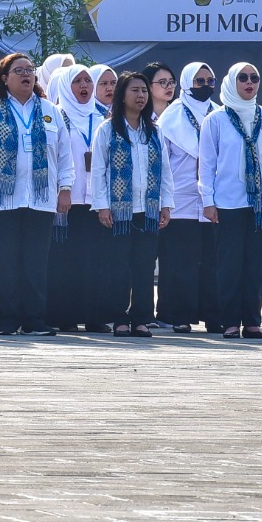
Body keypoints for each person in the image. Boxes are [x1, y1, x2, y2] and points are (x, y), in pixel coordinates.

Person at [0, 53, 74, 336]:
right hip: (1, 200)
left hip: (41, 199)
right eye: (19, 70)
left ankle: (35, 320)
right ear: (4, 78)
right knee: (5, 263)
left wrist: (65, 188)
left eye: (30, 70)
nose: (27, 75)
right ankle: (8, 319)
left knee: (35, 263)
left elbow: (64, 154)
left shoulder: (50, 111)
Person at [199, 62, 262, 340]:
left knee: (256, 264)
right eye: (243, 77)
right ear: (231, 82)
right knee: (229, 264)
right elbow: (207, 164)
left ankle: (252, 322)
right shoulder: (216, 119)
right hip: (228, 202)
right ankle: (229, 322)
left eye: (254, 78)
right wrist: (208, 200)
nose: (249, 82)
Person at [89, 72, 174, 337]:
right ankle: (119, 318)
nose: (141, 96)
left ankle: (141, 318)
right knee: (118, 265)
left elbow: (165, 171)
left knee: (144, 266)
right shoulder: (108, 129)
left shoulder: (154, 131)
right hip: (119, 210)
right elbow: (98, 170)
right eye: (135, 90)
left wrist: (166, 204)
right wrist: (102, 206)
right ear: (122, 95)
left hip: (148, 209)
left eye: (144, 91)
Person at [156, 61, 218, 333]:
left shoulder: (218, 113)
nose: (205, 86)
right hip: (179, 199)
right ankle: (175, 315)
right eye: (199, 81)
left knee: (212, 261)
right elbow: (162, 163)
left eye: (210, 81)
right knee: (179, 261)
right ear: (186, 83)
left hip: (212, 200)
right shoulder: (171, 117)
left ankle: (213, 314)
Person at [47, 63, 107, 333]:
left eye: (87, 81)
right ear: (65, 86)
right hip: (68, 200)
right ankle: (65, 316)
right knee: (66, 260)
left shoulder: (103, 116)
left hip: (97, 200)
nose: (84, 86)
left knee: (96, 259)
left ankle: (95, 316)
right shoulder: (56, 116)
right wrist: (63, 189)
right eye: (77, 81)